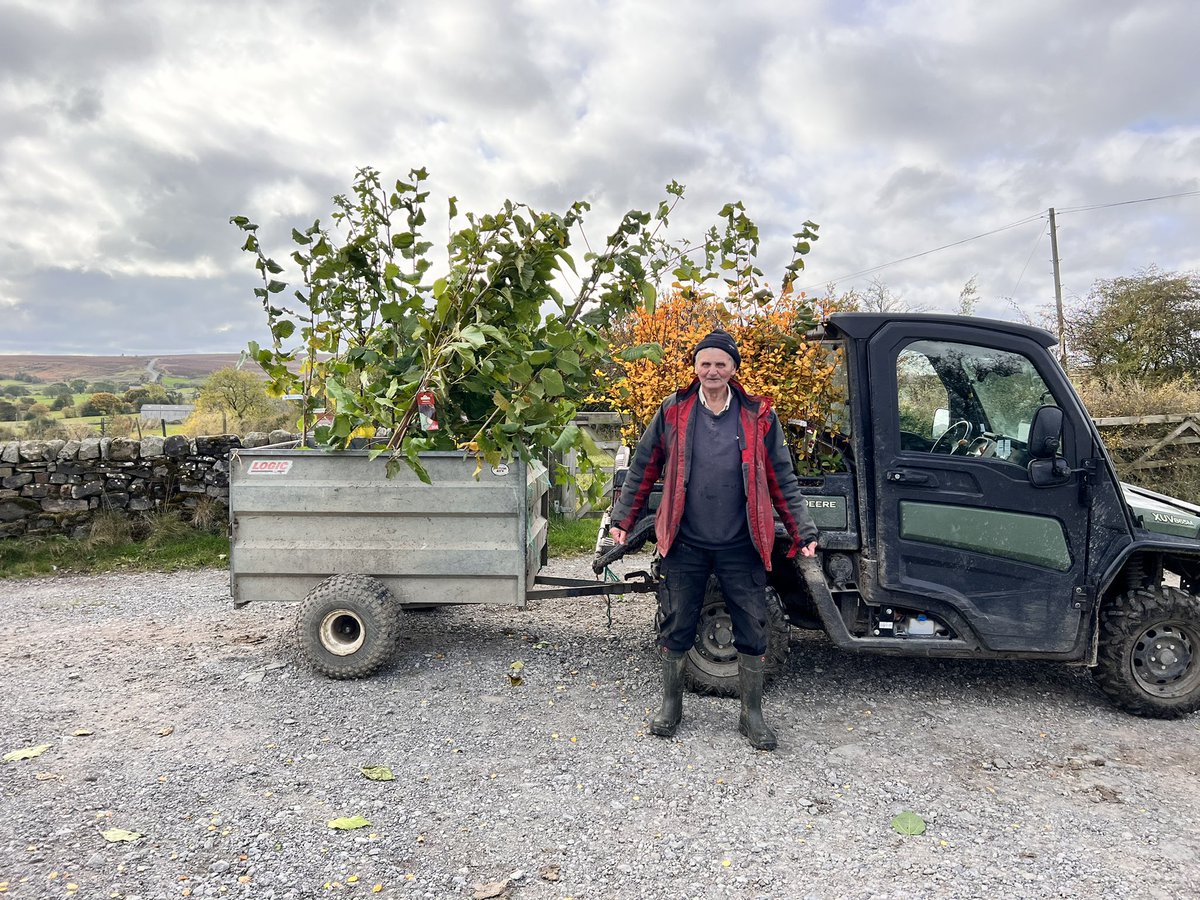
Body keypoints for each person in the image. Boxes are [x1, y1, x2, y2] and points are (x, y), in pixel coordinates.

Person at [608, 329, 818, 751]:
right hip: (685, 541)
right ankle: (671, 704)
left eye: (721, 363)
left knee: (754, 629)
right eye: (705, 362)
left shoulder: (758, 416)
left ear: (734, 368)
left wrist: (803, 531)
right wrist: (623, 519)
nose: (713, 370)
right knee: (677, 623)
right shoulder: (674, 411)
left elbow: (782, 477)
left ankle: (751, 714)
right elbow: (644, 466)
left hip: (742, 543)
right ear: (695, 367)